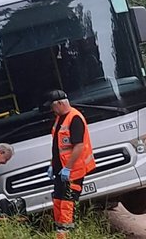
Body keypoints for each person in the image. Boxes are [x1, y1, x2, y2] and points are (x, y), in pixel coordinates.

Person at [45, 90, 96, 238]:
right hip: (60, 170)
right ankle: (60, 232)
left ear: (60, 103)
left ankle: (66, 234)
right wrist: (52, 165)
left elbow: (78, 146)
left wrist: (68, 168)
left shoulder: (74, 118)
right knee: (58, 199)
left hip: (72, 171)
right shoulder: (60, 118)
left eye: (52, 107)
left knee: (67, 202)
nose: (52, 110)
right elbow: (58, 146)